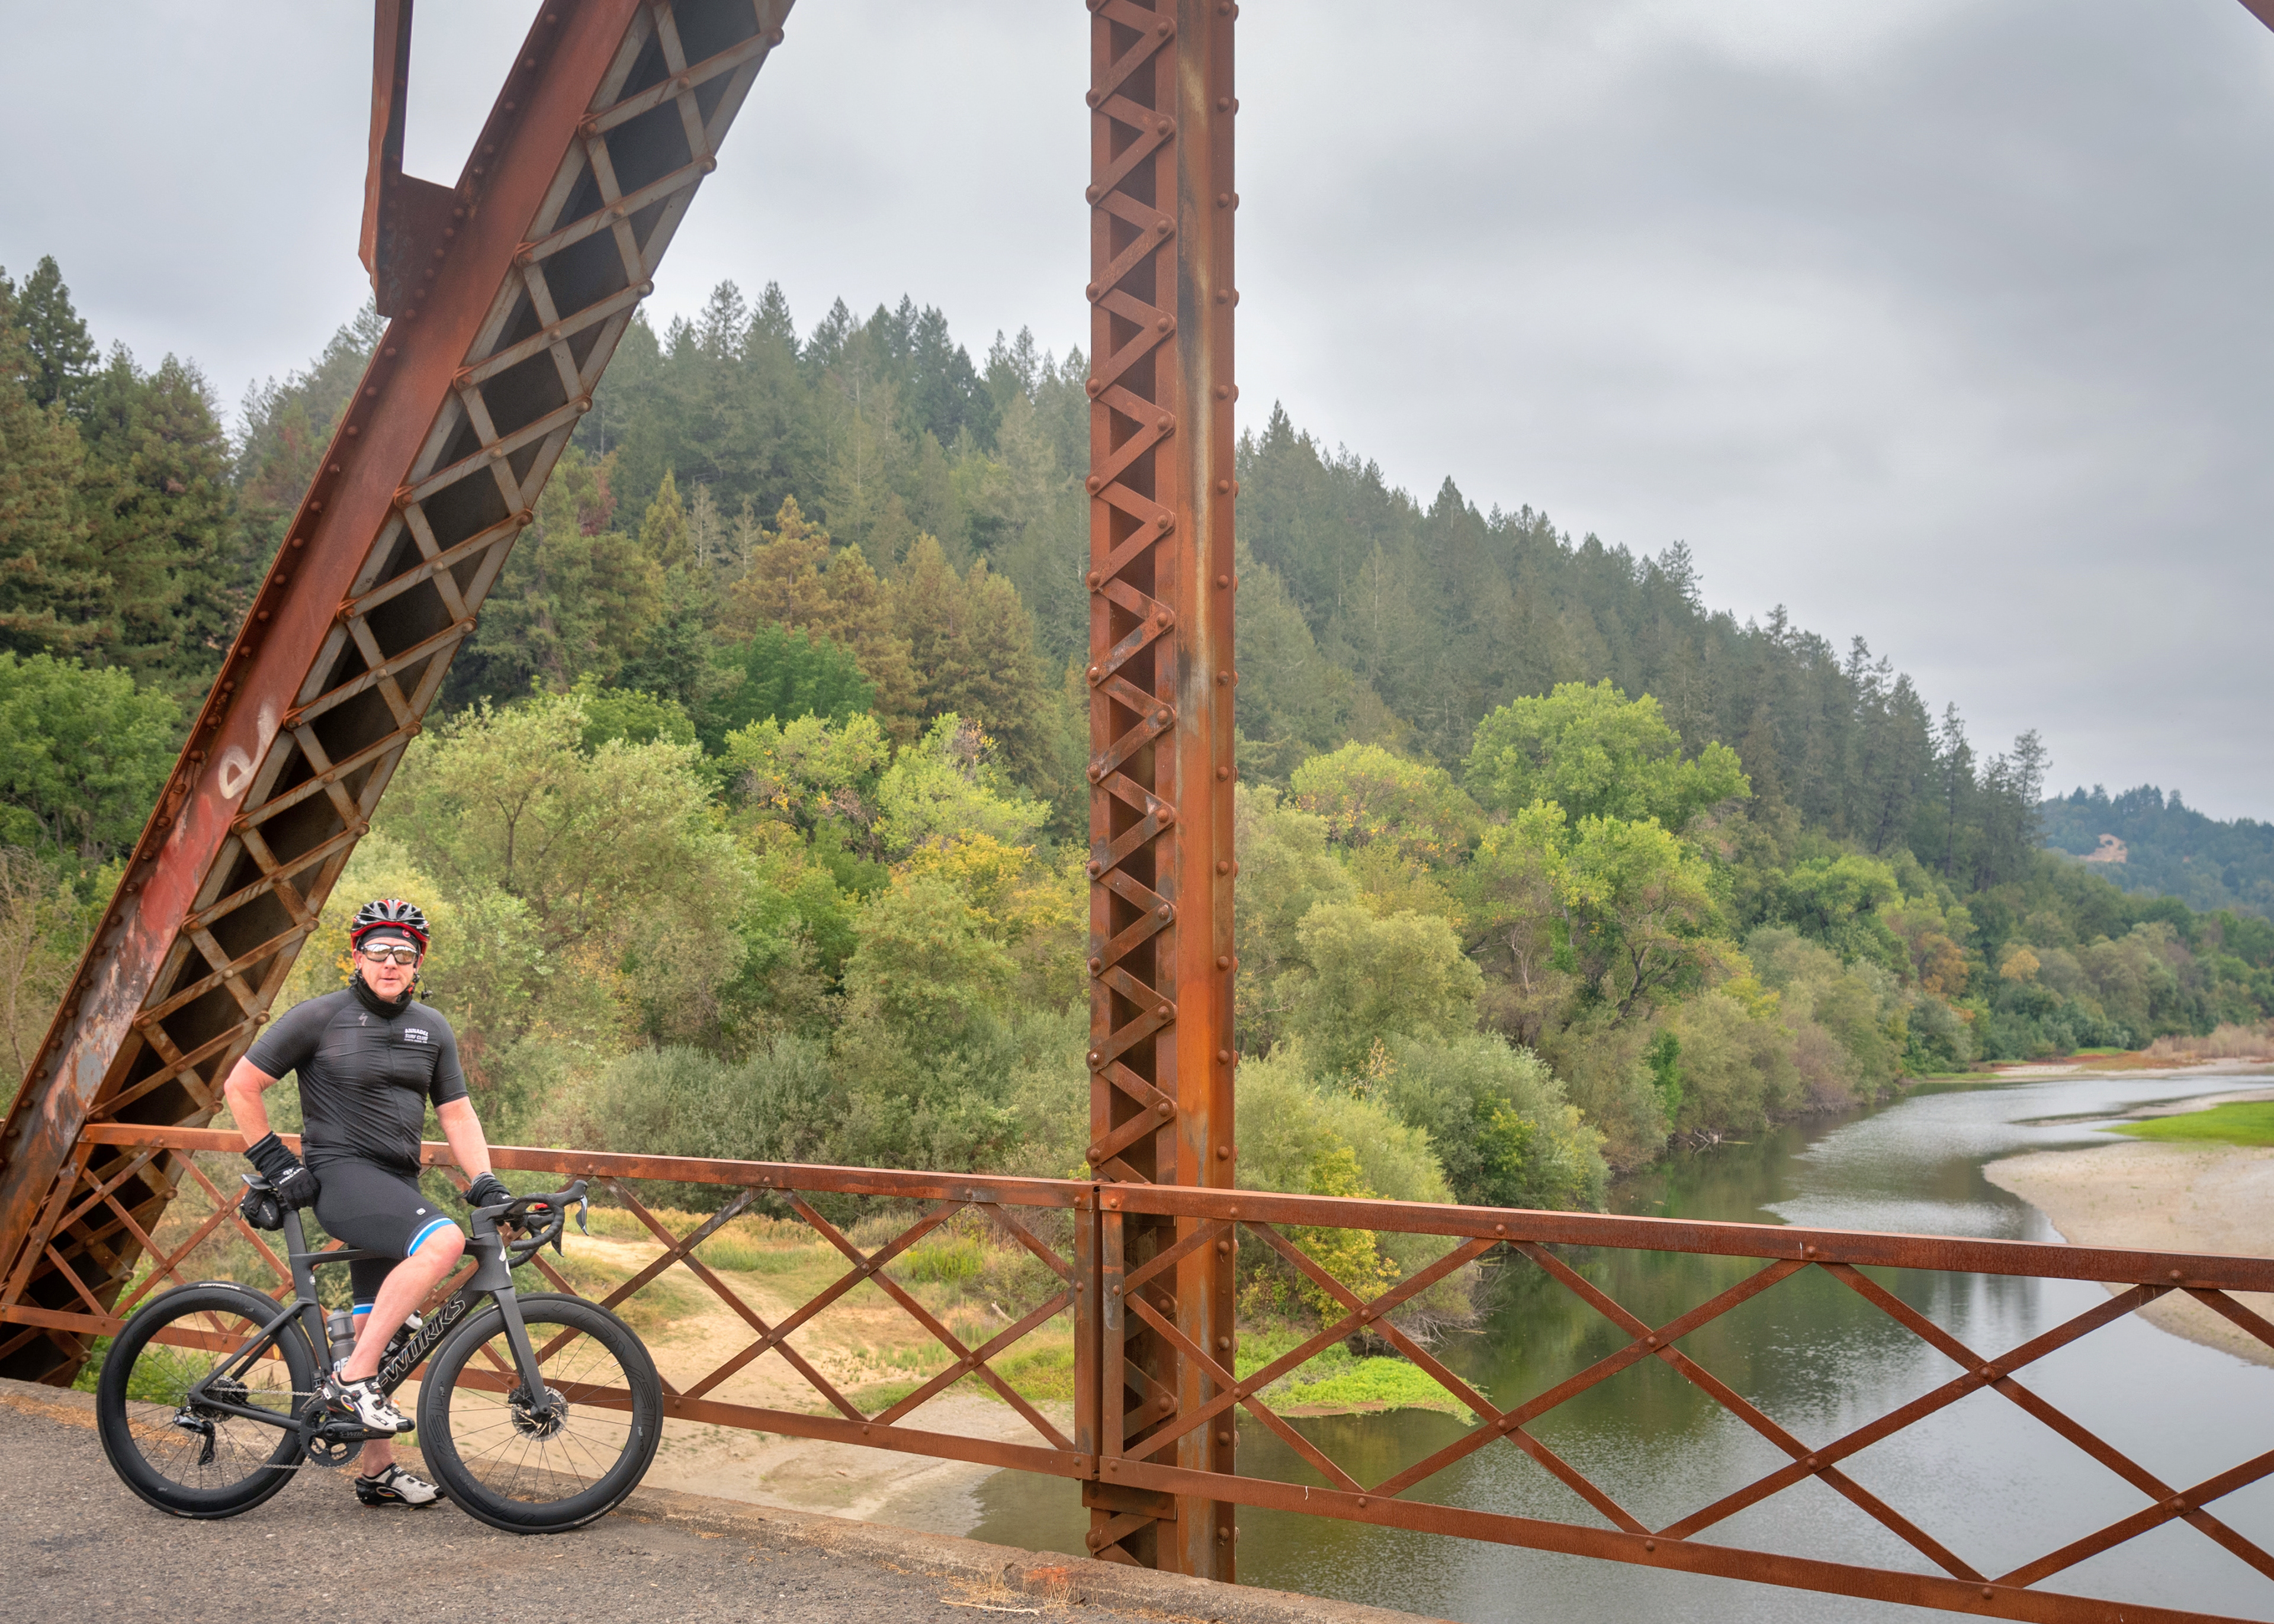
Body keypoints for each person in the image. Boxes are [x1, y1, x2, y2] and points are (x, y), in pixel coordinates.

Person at [220, 897, 513, 1509]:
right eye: (378, 950)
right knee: (444, 1241)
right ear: (357, 956)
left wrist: (484, 1179)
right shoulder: (320, 1016)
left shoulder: (432, 1027)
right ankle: (351, 1379)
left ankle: (376, 1470)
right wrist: (277, 1161)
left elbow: (457, 1113)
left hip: (396, 1185)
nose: (390, 962)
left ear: (417, 963)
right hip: (341, 1178)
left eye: (403, 953)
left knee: (377, 1328)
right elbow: (241, 1085)